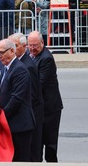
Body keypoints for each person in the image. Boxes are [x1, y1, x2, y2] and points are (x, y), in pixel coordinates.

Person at [0, 33, 44, 162]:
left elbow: (17, 98)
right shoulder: (6, 68)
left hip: (20, 125)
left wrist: (2, 116)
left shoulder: (20, 69)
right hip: (11, 123)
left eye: (1, 53)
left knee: (21, 160)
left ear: (11, 51)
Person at [27, 31, 63, 162]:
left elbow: (40, 84)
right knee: (37, 142)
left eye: (35, 45)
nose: (32, 48)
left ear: (42, 43)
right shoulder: (29, 55)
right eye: (30, 45)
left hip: (50, 109)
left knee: (50, 143)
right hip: (38, 107)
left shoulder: (46, 58)